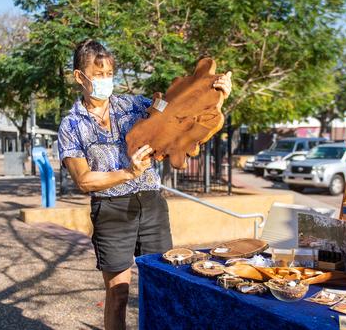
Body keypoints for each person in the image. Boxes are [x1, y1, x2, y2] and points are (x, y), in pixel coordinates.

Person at [58, 39, 231, 329]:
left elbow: (180, 118)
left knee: (164, 285)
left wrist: (216, 97)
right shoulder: (72, 125)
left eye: (109, 73)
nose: (105, 80)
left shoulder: (135, 105)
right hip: (111, 211)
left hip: (152, 205)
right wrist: (128, 172)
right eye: (98, 74)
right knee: (118, 294)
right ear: (80, 76)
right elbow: (84, 180)